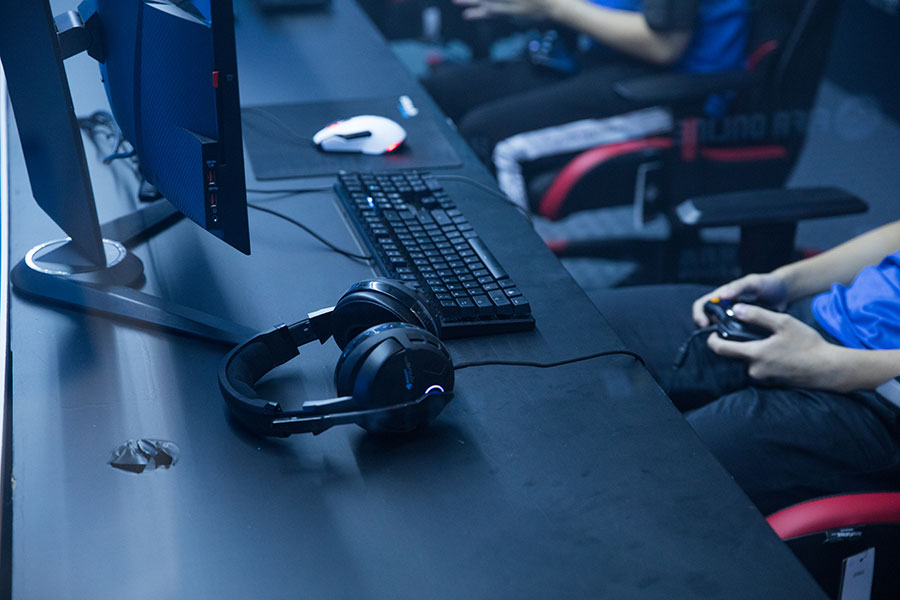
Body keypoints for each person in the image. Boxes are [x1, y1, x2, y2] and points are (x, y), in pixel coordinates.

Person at [590, 220, 900, 514]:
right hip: (817, 314)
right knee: (585, 331)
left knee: (641, 476)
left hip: (882, 399)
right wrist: (786, 281)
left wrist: (833, 365)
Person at [422, 0, 750, 207]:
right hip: (603, 54)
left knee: (487, 136)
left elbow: (664, 45)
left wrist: (552, 6)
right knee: (436, 94)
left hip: (677, 88)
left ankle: (503, 287)